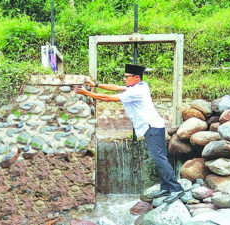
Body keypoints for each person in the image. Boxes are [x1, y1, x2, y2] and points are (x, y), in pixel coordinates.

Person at [74, 64, 184, 204]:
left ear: (136, 77)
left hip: (152, 128)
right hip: (155, 126)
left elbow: (109, 98)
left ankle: (176, 189)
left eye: (127, 77)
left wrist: (87, 93)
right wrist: (96, 84)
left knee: (160, 159)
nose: (124, 79)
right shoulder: (141, 85)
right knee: (160, 158)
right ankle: (165, 186)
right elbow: (116, 87)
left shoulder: (136, 92)